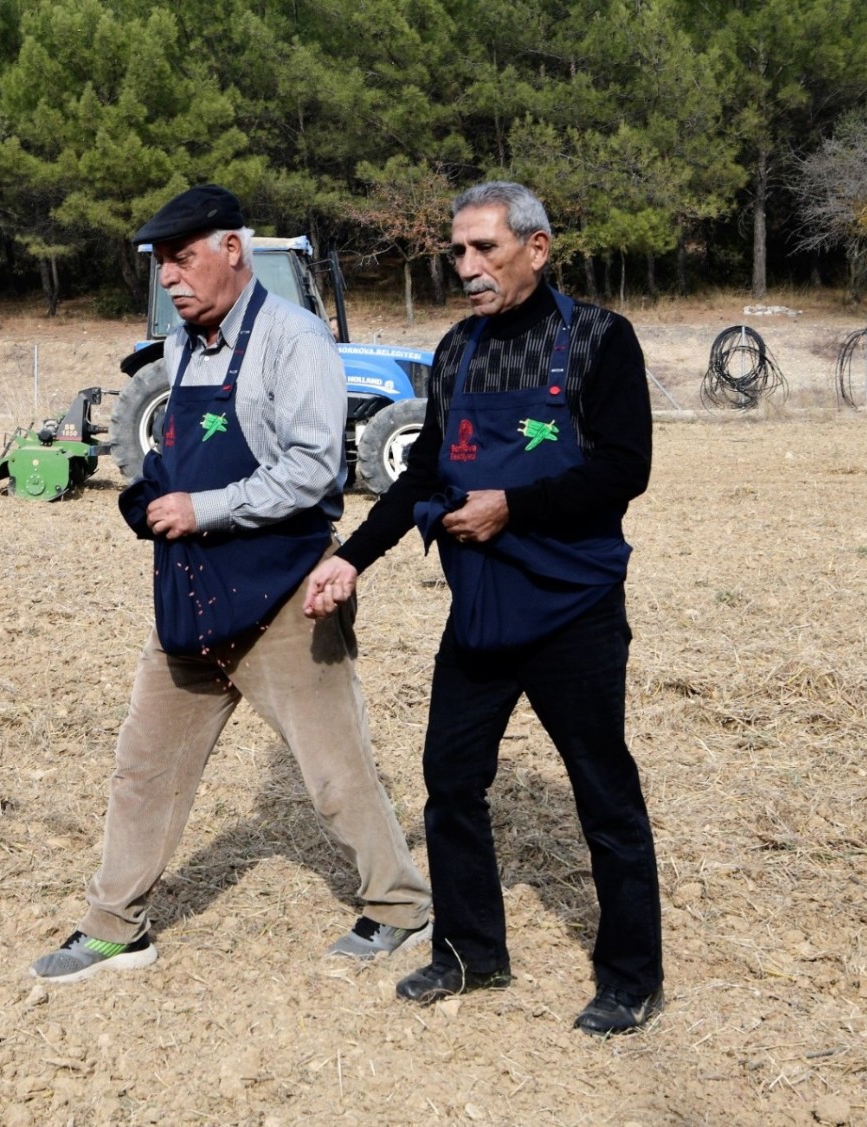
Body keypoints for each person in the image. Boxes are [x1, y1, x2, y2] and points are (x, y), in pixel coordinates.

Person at [29, 185, 432, 983]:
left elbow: (315, 469)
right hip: (192, 592)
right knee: (143, 764)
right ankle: (116, 926)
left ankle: (400, 908)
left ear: (232, 250)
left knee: (334, 769)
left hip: (283, 592)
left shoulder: (296, 338)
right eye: (161, 265)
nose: (171, 279)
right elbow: (178, 455)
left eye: (183, 259)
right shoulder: (179, 349)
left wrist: (201, 506)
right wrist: (150, 494)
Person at [305, 181, 662, 1034]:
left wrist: (514, 506)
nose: (466, 267)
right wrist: (351, 558)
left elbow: (625, 468)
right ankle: (471, 952)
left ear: (537, 249)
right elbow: (423, 475)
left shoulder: (601, 340)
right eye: (456, 252)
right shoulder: (459, 349)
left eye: (484, 250)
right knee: (451, 778)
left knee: (602, 791)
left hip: (573, 609)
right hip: (481, 612)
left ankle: (631, 976)